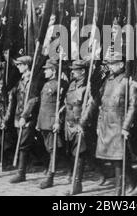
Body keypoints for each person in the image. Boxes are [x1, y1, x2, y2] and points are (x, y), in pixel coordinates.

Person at [82, 51, 137, 196]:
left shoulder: (128, 82)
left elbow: (133, 106)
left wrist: (126, 126)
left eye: (113, 64)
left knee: (118, 158)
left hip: (119, 123)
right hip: (106, 123)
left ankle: (118, 191)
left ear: (121, 64)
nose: (110, 67)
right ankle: (131, 177)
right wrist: (96, 124)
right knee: (112, 158)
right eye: (109, 64)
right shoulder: (107, 81)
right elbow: (100, 102)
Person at [37, 58, 68, 189]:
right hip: (43, 120)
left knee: (53, 149)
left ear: (54, 71)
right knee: (50, 148)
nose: (45, 72)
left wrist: (58, 121)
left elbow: (62, 105)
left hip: (51, 121)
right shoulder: (47, 84)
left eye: (47, 69)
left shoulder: (59, 85)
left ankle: (50, 177)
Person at [8, 56, 40, 183]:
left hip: (27, 117)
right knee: (25, 144)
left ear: (27, 65)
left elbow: (32, 100)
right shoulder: (21, 80)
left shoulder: (32, 80)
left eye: (20, 65)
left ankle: (21, 173)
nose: (18, 67)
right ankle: (45, 163)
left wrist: (24, 116)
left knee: (23, 145)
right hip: (19, 116)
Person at [63, 60, 89, 195]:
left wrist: (82, 123)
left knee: (80, 153)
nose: (72, 71)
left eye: (75, 69)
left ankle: (77, 184)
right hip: (69, 123)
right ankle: (102, 172)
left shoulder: (88, 85)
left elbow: (90, 106)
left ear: (83, 71)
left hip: (80, 124)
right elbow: (67, 102)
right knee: (74, 153)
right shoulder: (72, 84)